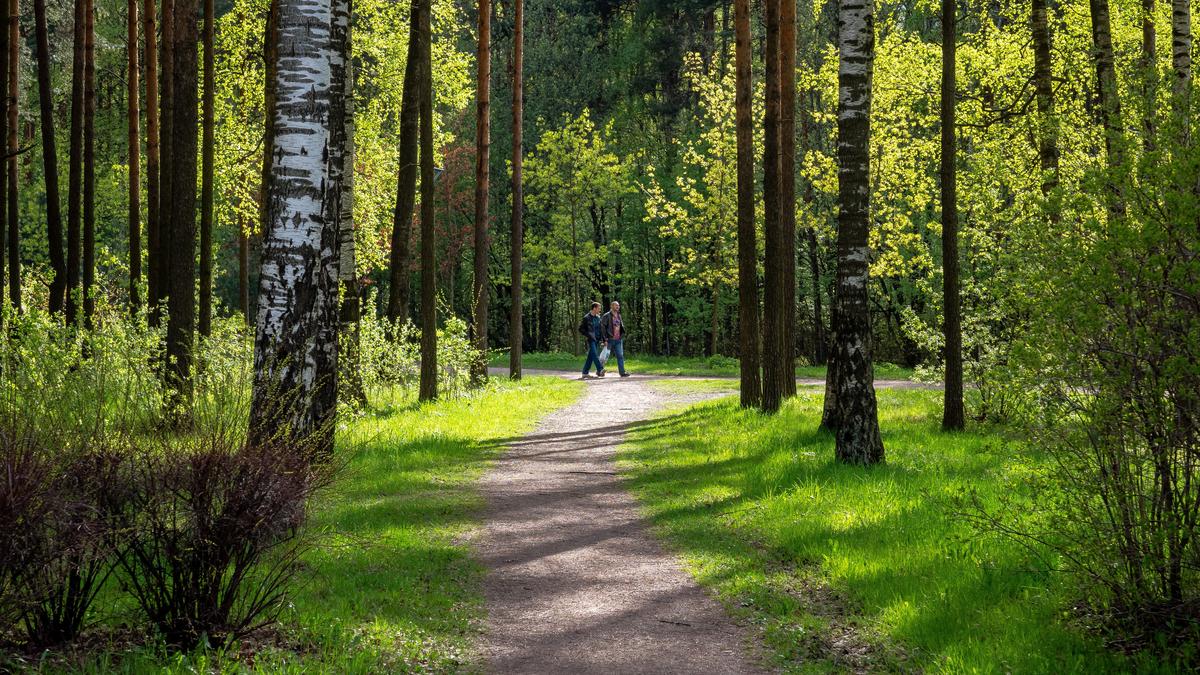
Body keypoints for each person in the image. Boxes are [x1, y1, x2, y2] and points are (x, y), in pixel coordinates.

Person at [600, 300, 630, 377]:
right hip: (609, 339)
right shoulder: (606, 316)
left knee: (620, 356)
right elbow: (602, 328)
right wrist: (604, 339)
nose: (618, 307)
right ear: (611, 306)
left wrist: (622, 335)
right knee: (605, 357)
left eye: (618, 305)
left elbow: (621, 326)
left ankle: (622, 372)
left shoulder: (619, 315)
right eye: (616, 305)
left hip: (618, 340)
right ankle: (599, 370)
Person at [578, 301, 604, 379]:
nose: (600, 310)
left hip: (597, 339)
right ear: (594, 308)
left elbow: (600, 329)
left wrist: (602, 339)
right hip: (591, 339)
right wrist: (588, 335)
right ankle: (600, 369)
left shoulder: (598, 317)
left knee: (591, 356)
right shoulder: (586, 318)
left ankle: (585, 373)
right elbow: (581, 329)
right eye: (599, 308)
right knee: (595, 354)